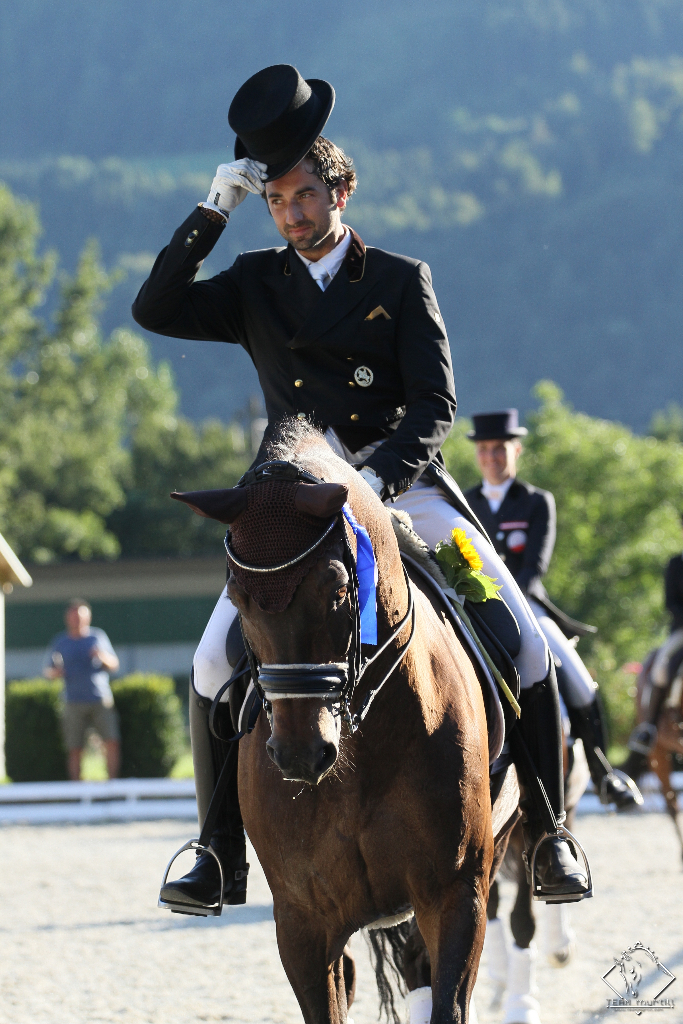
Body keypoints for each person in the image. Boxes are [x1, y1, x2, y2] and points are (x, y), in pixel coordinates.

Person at [133, 64, 589, 912]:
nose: (291, 213)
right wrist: (212, 213)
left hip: (402, 486)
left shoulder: (398, 279)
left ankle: (554, 832)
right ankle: (214, 851)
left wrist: (377, 479)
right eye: (276, 202)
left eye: (303, 196)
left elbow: (436, 404)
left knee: (524, 643)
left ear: (340, 190)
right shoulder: (255, 283)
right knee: (207, 661)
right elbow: (154, 309)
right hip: (290, 503)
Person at [464, 409, 639, 809]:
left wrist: (509, 598)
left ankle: (602, 772)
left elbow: (534, 565)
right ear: (477, 453)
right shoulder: (464, 503)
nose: (493, 456)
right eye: (486, 449)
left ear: (517, 450)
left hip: (527, 606)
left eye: (501, 449)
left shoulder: (537, 502)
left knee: (577, 677)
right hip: (474, 607)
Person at [626, 516, 683, 773]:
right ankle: (649, 726)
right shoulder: (676, 564)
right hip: (682, 630)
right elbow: (671, 602)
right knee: (663, 666)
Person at [44, 599, 120, 781]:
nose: (77, 620)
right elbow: (48, 671)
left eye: (80, 616)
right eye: (73, 616)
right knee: (74, 747)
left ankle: (112, 784)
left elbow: (114, 664)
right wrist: (57, 672)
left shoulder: (97, 637)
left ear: (88, 617)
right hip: (73, 700)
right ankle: (76, 789)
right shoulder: (60, 641)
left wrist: (100, 656)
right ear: (67, 618)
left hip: (100, 698)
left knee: (111, 741)